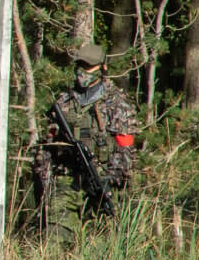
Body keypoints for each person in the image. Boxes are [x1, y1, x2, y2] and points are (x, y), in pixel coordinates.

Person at [26, 42, 139, 240]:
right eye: (79, 66)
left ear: (102, 68)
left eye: (88, 67)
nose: (82, 72)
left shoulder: (118, 104)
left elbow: (126, 155)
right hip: (66, 184)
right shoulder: (64, 103)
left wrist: (107, 180)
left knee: (99, 249)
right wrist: (45, 183)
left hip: (100, 185)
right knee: (55, 244)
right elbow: (47, 148)